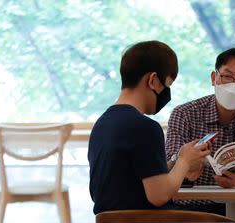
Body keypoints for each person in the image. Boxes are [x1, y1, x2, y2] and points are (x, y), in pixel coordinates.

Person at [89, 41, 210, 214]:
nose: (167, 93)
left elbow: (129, 179)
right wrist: (184, 161)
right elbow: (159, 195)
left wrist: (177, 164)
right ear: (153, 80)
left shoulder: (102, 124)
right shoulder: (145, 127)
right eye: (167, 85)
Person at [165, 47, 235, 221]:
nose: (234, 85)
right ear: (214, 78)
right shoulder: (184, 113)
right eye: (227, 76)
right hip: (189, 209)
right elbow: (168, 166)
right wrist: (183, 164)